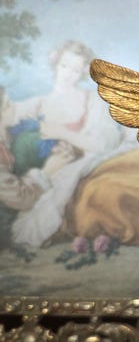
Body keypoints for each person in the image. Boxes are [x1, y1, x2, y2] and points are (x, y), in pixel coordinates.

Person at [1, 40, 126, 247]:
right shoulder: (39, 104)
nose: (68, 74)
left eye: (76, 70)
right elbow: (5, 119)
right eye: (65, 66)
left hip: (88, 165)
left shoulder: (92, 101)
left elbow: (104, 146)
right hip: (55, 171)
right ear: (56, 64)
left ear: (83, 73)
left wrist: (61, 133)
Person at [0, 87, 74, 248]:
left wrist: (53, 146)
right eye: (7, 105)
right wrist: (46, 172)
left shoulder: (6, 134)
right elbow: (21, 198)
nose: (12, 108)